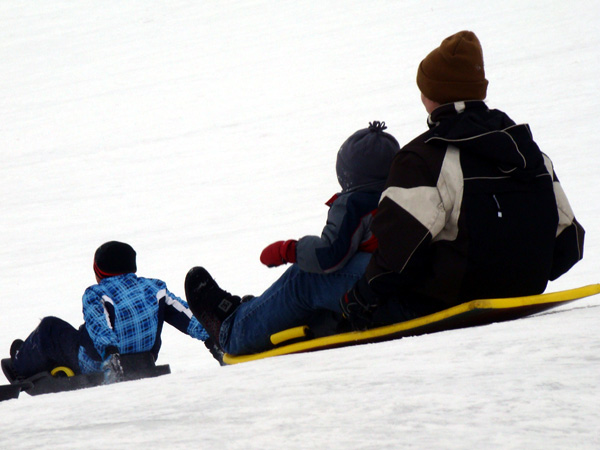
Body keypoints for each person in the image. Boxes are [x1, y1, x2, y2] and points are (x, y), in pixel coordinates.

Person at [339, 30, 585, 330]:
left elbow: (396, 257)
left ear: (431, 94)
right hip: (524, 293)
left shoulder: (424, 156)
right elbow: (569, 241)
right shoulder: (526, 150)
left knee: (305, 285)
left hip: (440, 304)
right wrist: (518, 274)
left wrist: (358, 300)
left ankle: (266, 331)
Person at [185, 122, 400, 355]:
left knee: (303, 276)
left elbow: (329, 256)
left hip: (379, 284)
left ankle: (232, 332)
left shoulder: (354, 203)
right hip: (397, 275)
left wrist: (288, 250)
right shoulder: (400, 192)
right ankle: (260, 311)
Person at [4, 241, 213, 382]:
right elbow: (186, 316)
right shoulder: (155, 288)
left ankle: (20, 365)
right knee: (78, 335)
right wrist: (212, 337)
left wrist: (111, 357)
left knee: (50, 329)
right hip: (145, 359)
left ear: (98, 271)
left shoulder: (97, 293)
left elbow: (99, 326)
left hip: (101, 363)